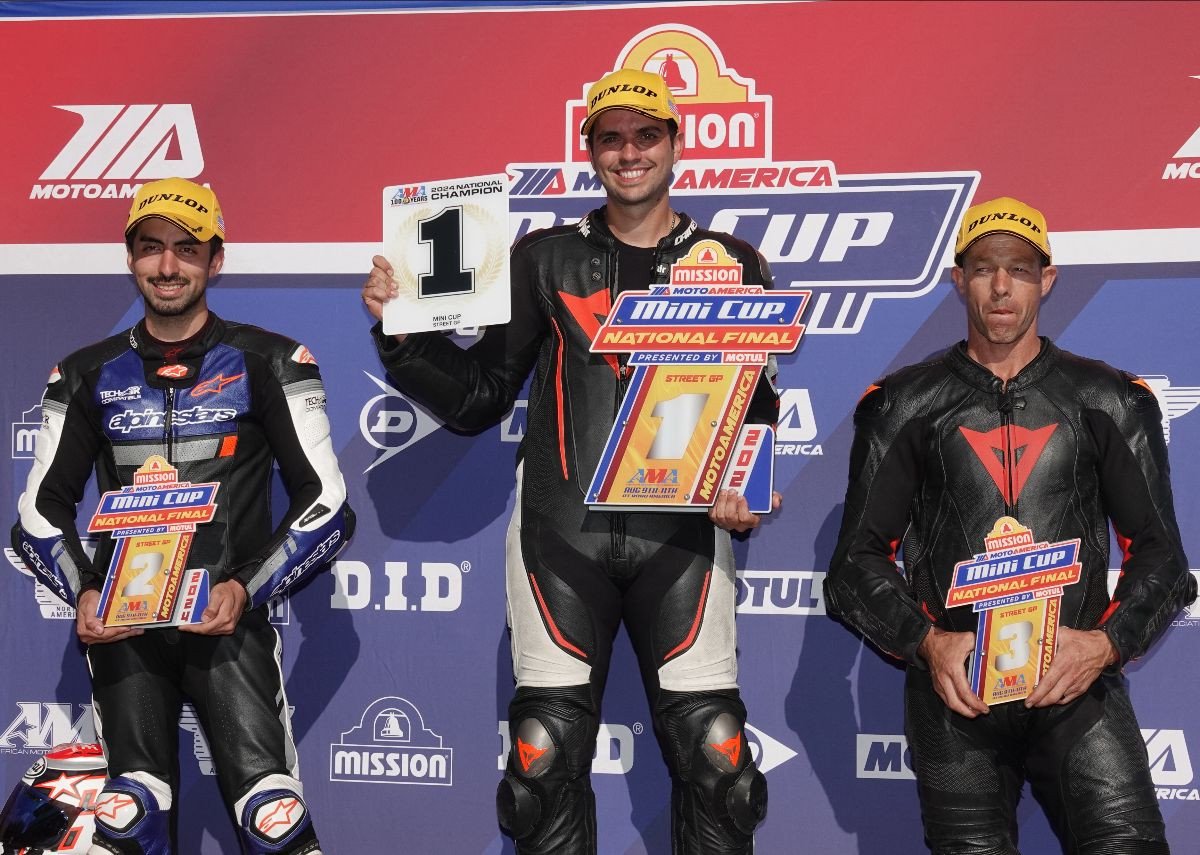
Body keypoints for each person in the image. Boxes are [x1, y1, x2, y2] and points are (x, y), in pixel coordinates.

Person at [362, 68, 779, 854]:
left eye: (645, 135)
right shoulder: (540, 258)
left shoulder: (733, 261)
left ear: (675, 145)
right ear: (589, 150)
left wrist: (743, 486)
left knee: (719, 760)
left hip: (684, 542)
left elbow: (754, 402)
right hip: (560, 538)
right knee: (542, 761)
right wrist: (399, 333)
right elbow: (480, 396)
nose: (630, 153)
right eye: (612, 137)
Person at [825, 195, 1196, 853]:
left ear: (1047, 280)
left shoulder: (1110, 399)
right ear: (957, 278)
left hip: (1076, 687)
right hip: (957, 698)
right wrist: (928, 643)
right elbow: (853, 566)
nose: (1001, 286)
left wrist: (1103, 646)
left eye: (1020, 268)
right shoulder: (902, 404)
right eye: (984, 267)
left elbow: (1163, 558)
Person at [12, 177, 355, 855]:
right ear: (131, 256)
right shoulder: (84, 373)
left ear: (214, 260)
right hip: (123, 625)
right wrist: (84, 589)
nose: (167, 266)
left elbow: (328, 505)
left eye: (185, 249)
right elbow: (37, 513)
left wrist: (242, 589)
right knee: (130, 812)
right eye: (151, 247)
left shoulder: (272, 361)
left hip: (228, 625)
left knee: (272, 816)